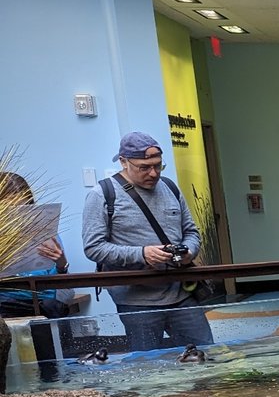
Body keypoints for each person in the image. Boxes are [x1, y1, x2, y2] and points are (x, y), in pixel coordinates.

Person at [81, 131, 212, 352]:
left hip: (181, 294)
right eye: (144, 167)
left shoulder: (170, 187)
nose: (153, 173)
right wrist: (142, 254)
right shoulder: (102, 194)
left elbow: (191, 232)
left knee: (205, 353)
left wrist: (189, 250)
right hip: (136, 301)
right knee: (147, 364)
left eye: (158, 166)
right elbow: (93, 247)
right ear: (123, 162)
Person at [0, 171, 71, 319]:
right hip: (8, 303)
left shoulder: (44, 231)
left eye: (24, 207)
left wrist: (61, 264)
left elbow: (62, 283)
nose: (17, 214)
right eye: (10, 209)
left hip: (45, 301)